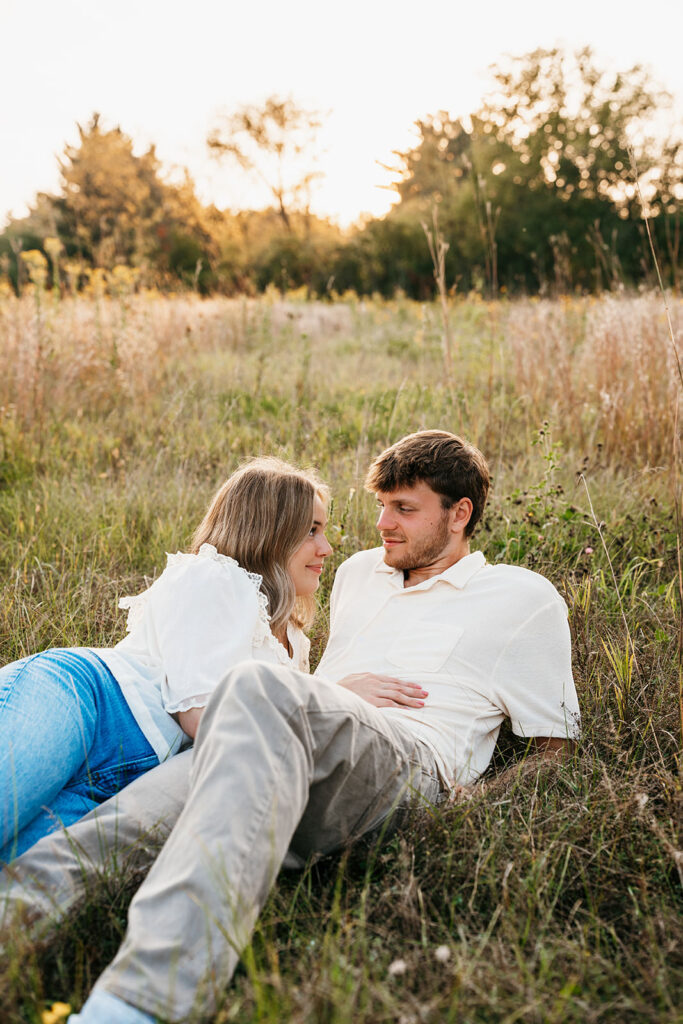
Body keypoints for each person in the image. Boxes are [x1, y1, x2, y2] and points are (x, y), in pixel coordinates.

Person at [2, 431, 580, 1024]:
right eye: (381, 504)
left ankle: (138, 1006)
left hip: (406, 767)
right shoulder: (360, 574)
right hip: (285, 742)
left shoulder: (523, 597)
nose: (383, 523)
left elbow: (555, 749)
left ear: (461, 514)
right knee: (114, 829)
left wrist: (469, 803)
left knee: (250, 687)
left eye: (405, 509)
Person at [0, 457, 333, 863]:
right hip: (91, 705)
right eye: (311, 531)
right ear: (270, 530)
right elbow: (200, 714)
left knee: (18, 873)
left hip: (125, 778)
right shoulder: (213, 577)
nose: (326, 548)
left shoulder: (295, 642)